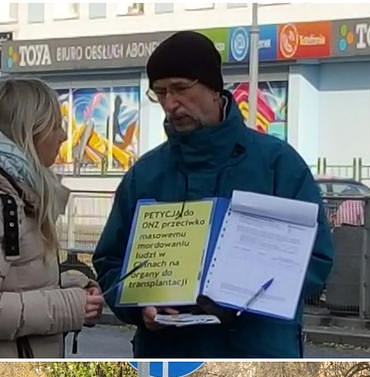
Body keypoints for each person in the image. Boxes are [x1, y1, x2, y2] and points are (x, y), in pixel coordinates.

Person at [94, 31, 334, 358]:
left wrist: (247, 293)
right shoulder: (145, 174)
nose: (170, 103)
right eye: (160, 93)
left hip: (257, 351)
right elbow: (110, 260)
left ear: (213, 88)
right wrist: (140, 308)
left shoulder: (278, 164)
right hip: (169, 350)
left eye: (180, 88)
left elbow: (316, 257)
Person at [0, 77, 104, 358]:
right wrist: (69, 305)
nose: (63, 136)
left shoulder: (20, 192)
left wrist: (75, 289)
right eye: (56, 125)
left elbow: (16, 282)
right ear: (30, 131)